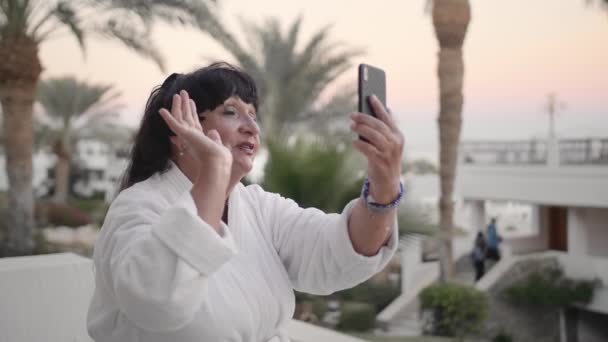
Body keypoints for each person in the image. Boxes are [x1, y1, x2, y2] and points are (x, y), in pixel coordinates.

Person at [86, 62, 405, 342]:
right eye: (230, 112)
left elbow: (337, 252)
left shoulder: (257, 206)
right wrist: (213, 170)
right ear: (181, 131)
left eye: (253, 114)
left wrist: (385, 185)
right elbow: (157, 303)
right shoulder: (137, 208)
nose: (251, 127)